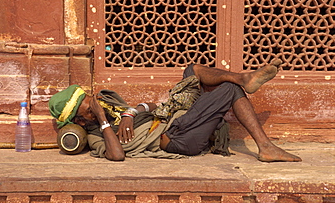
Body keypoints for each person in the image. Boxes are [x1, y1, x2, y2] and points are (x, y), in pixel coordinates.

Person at [49, 60, 302, 162]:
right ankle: (265, 146)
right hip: (177, 137)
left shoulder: (113, 109)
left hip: (174, 119)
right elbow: (116, 156)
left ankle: (243, 77)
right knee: (228, 90)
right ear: (81, 120)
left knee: (192, 71)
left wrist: (130, 113)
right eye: (90, 110)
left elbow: (152, 105)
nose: (97, 108)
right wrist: (103, 121)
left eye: (92, 102)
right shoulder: (95, 134)